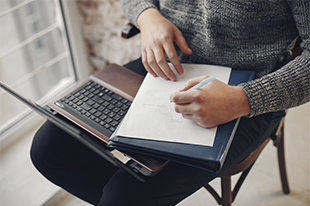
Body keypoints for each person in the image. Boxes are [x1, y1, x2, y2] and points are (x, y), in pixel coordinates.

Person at [30, 0, 310, 205]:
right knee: (49, 152)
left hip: (249, 91)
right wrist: (147, 15)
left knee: (124, 197)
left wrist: (243, 99)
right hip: (166, 68)